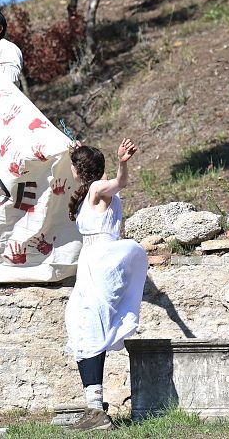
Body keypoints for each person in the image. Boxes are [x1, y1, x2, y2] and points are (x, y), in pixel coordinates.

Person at [63, 138, 148, 431]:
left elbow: (120, 183)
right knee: (81, 328)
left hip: (102, 264)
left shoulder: (99, 189)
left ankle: (96, 411)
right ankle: (94, 407)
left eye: (73, 164)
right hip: (89, 265)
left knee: (91, 327)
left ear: (79, 169)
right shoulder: (88, 194)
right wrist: (77, 148)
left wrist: (123, 163)